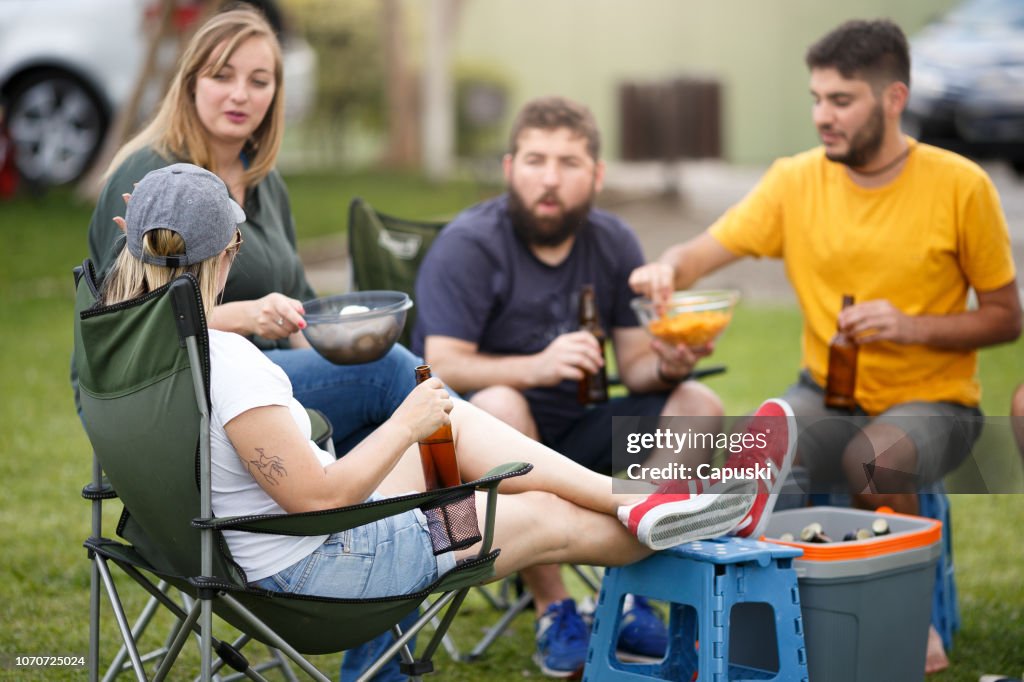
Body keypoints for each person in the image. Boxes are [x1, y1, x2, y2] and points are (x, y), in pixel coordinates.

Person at [101, 163, 795, 675]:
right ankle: (691, 513)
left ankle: (645, 502)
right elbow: (316, 498)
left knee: (457, 430)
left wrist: (420, 426)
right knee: (542, 514)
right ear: (226, 253)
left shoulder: (127, 343)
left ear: (137, 245)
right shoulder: (231, 366)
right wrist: (403, 424)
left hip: (246, 546)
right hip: (329, 565)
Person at [629, 19, 1021, 674]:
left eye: (842, 100)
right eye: (816, 98)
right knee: (756, 457)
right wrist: (666, 270)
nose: (822, 116)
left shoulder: (960, 185)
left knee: (876, 461)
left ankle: (911, 619)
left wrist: (912, 325)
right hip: (824, 392)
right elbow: (696, 256)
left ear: (894, 99)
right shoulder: (794, 181)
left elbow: (1007, 319)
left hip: (937, 401)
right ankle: (761, 624)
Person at [412, 96, 746, 676]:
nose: (549, 178)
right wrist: (535, 366)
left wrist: (671, 363)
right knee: (501, 403)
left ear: (595, 175)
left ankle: (633, 591)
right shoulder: (470, 244)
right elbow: (440, 361)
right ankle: (554, 607)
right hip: (486, 454)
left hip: (587, 432)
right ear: (509, 167)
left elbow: (637, 365)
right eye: (536, 160)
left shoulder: (612, 241)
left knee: (698, 402)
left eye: (568, 163)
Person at [82, 7, 419, 456]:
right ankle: (511, 482)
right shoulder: (154, 179)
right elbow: (127, 322)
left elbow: (300, 302)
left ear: (276, 94)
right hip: (169, 386)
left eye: (259, 82)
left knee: (382, 397)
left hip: (257, 378)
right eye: (222, 76)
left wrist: (343, 344)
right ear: (191, 84)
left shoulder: (264, 180)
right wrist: (245, 316)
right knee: (392, 373)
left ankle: (468, 512)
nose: (240, 95)